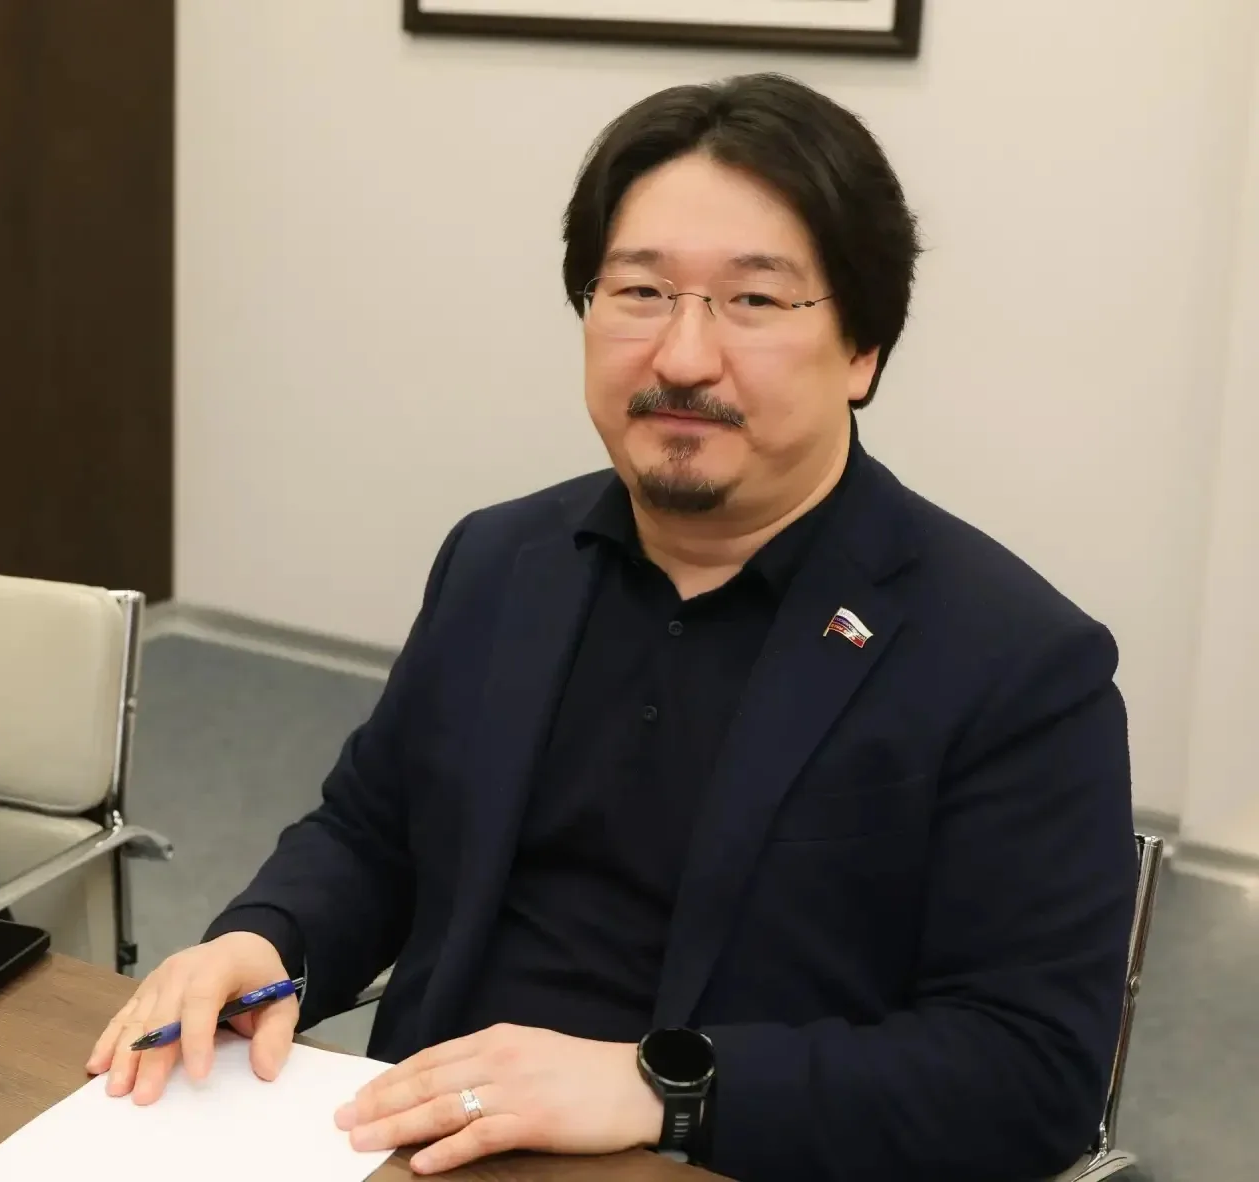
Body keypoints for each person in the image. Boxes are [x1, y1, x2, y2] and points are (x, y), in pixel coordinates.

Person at [86, 73, 1137, 1181]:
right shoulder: (500, 561)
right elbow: (374, 831)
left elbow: (1029, 1071)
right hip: (423, 1147)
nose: (682, 358)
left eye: (753, 301)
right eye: (639, 292)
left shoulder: (1015, 662)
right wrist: (264, 940)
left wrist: (659, 1087)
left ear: (863, 349)